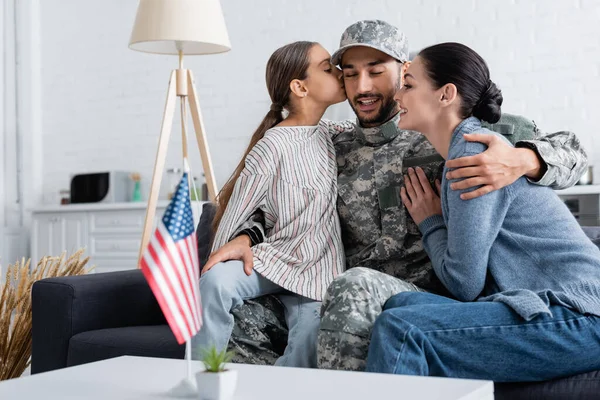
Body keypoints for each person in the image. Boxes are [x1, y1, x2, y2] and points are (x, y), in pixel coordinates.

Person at [202, 20, 588, 369]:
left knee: (352, 290)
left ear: (405, 71)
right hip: (338, 296)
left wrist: (524, 159)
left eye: (376, 71)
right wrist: (246, 235)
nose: (363, 87)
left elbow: (573, 150)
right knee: (244, 318)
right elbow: (278, 198)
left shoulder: (447, 132)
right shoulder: (328, 146)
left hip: (430, 298)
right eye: (350, 75)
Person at [365, 42, 600, 381]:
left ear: (446, 94)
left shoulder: (473, 156)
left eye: (409, 84)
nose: (397, 95)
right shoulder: (464, 150)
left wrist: (431, 224)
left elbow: (464, 284)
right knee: (399, 307)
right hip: (551, 308)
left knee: (402, 328)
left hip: (579, 313)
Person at [191, 41, 352, 368]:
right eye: (327, 67)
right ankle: (203, 376)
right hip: (274, 260)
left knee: (308, 342)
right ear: (299, 86)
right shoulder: (272, 145)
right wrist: (228, 248)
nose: (339, 72)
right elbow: (236, 212)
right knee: (214, 283)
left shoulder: (334, 135)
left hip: (322, 273)